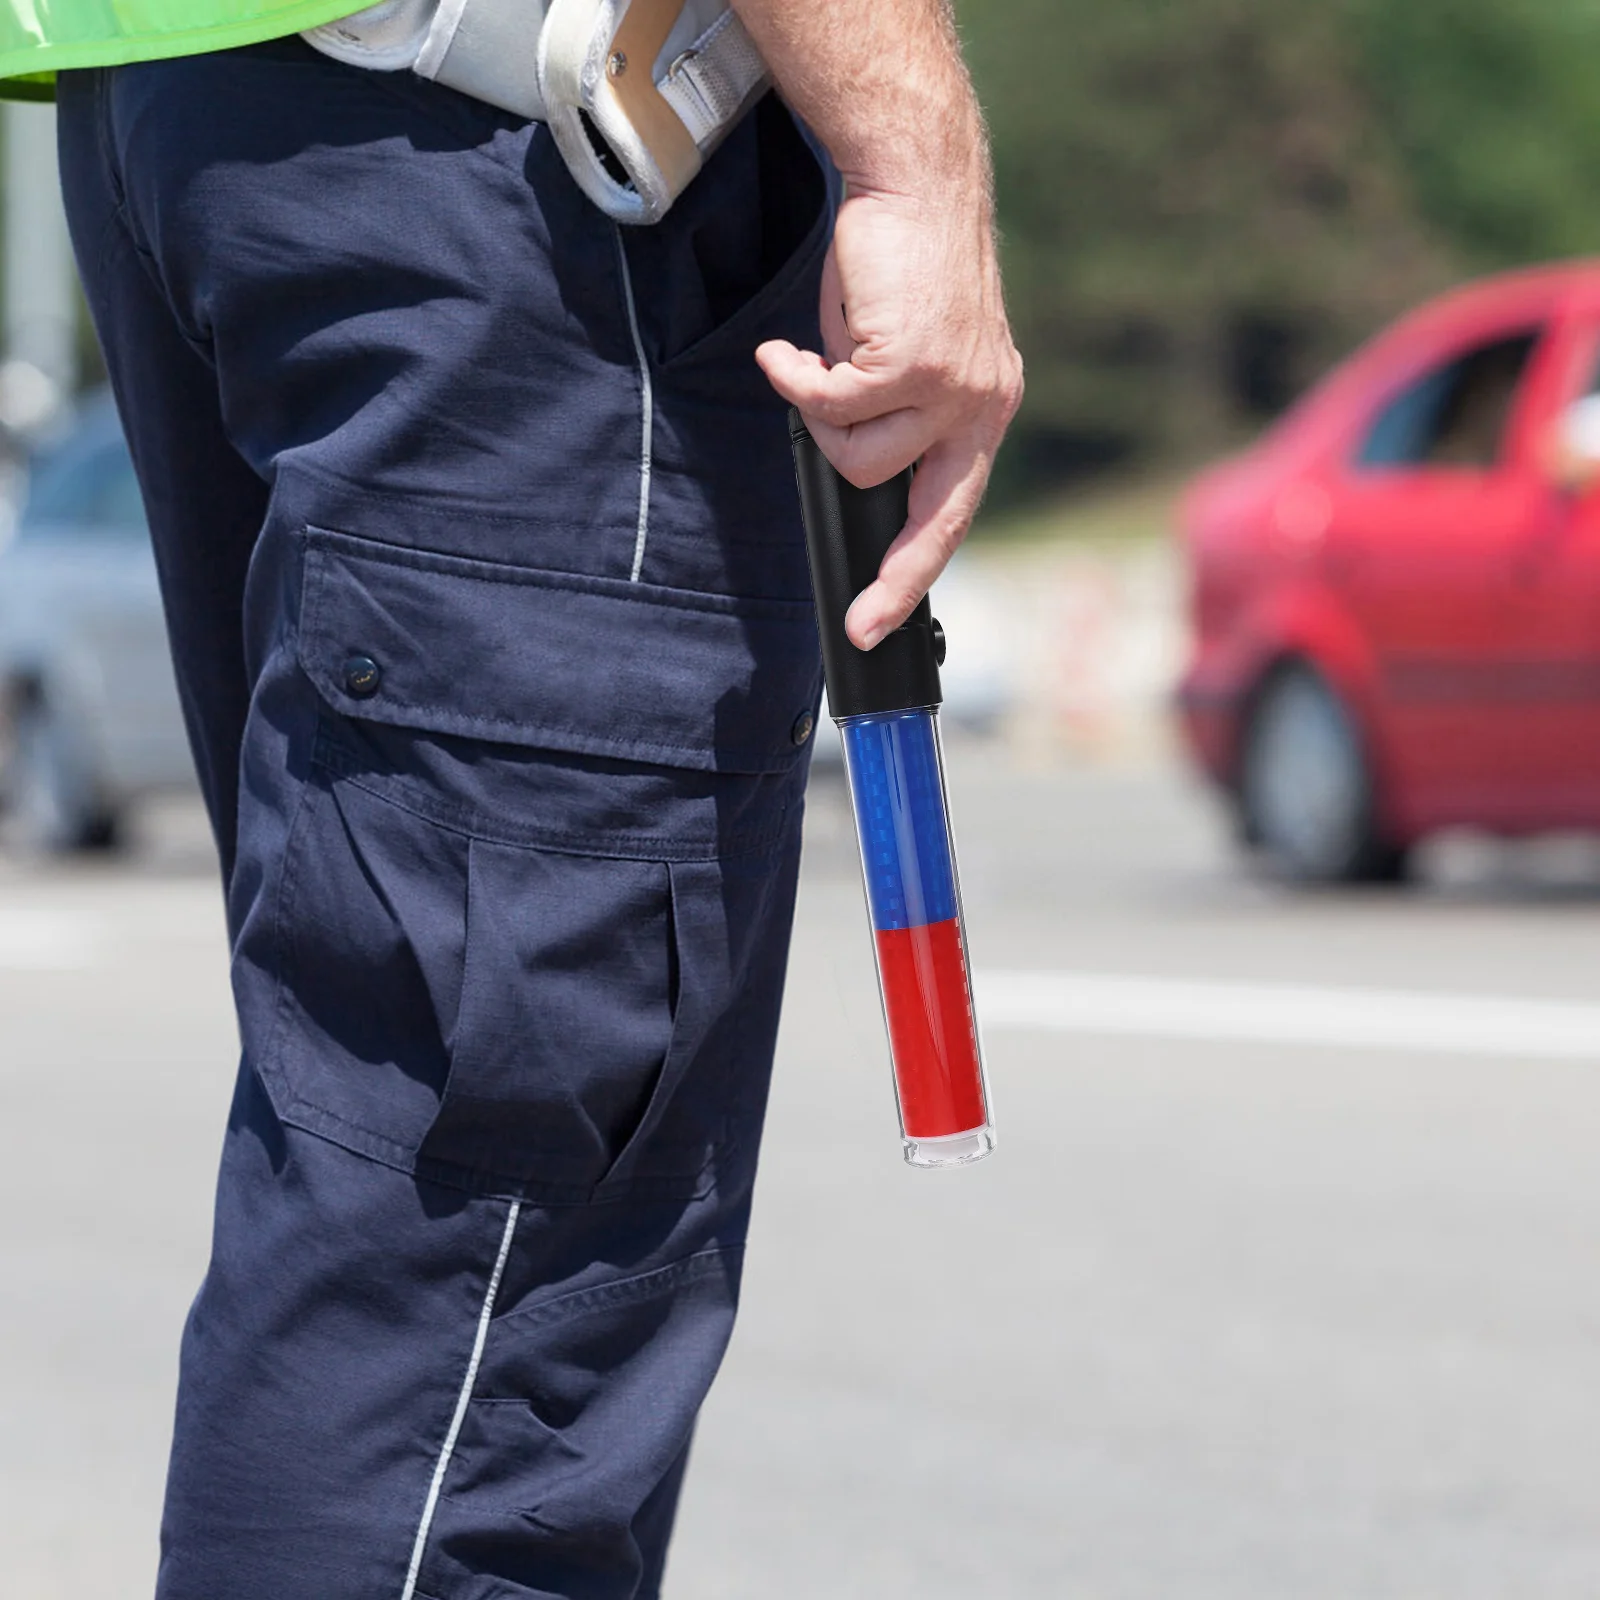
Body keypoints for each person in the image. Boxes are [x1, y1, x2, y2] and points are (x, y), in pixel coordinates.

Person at [1, 1, 1022, 1593]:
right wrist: (912, 168)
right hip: (518, 173)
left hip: (191, 112)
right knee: (466, 1298)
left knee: (409, 1214)